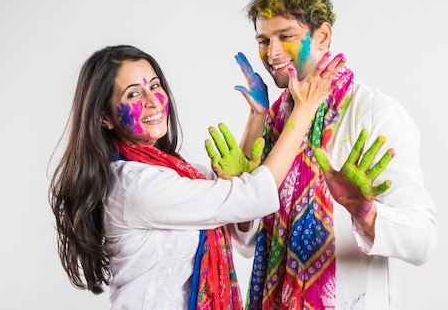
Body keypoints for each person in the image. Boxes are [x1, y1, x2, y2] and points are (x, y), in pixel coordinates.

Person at [48, 44, 346, 309]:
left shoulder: (174, 170)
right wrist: (303, 113)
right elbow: (249, 197)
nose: (153, 101)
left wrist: (258, 117)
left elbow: (239, 225)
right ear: (104, 117)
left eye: (155, 86)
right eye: (134, 94)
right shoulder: (135, 186)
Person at [232, 0, 438, 310]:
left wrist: (366, 213)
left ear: (322, 35)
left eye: (286, 36)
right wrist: (254, 126)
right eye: (263, 39)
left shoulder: (373, 113)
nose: (271, 53)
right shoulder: (275, 120)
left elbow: (424, 240)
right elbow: (248, 239)